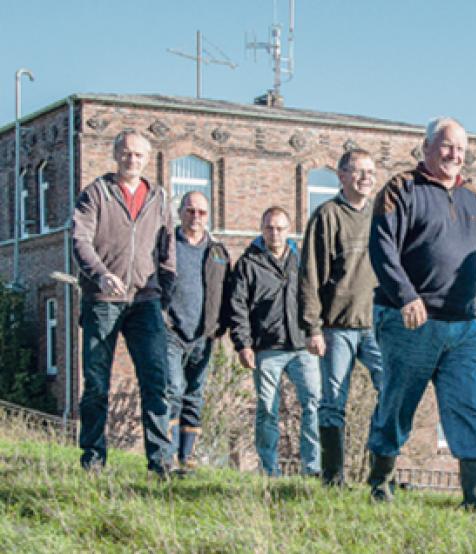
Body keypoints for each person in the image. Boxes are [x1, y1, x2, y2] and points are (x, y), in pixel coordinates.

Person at [365, 117, 476, 509]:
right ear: (426, 146)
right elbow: (382, 247)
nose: (454, 154)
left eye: (460, 148)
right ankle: (380, 482)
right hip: (411, 321)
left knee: (466, 406)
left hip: (463, 328)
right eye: (446, 146)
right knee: (397, 405)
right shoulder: (401, 188)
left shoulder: (473, 198)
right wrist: (406, 295)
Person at [72, 129, 175, 476]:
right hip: (103, 300)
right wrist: (99, 274)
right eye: (127, 154)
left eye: (139, 155)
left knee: (155, 380)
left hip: (145, 301)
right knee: (97, 382)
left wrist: (165, 293)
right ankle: (93, 459)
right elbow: (80, 239)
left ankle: (160, 462)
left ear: (148, 159)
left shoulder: (158, 198)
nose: (133, 160)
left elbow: (168, 250)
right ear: (116, 155)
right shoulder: (96, 194)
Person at [299, 149, 385, 486]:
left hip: (377, 325)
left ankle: (380, 474)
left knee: (390, 392)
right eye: (359, 171)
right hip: (337, 328)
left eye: (371, 171)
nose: (366, 178)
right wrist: (313, 327)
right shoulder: (327, 216)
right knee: (333, 402)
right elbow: (310, 274)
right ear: (342, 176)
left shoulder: (381, 216)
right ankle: (333, 478)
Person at [228, 206, 321, 476]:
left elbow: (313, 297)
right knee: (267, 409)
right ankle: (269, 470)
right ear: (262, 230)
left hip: (302, 346)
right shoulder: (248, 263)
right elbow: (238, 307)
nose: (275, 233)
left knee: (314, 403)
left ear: (289, 230)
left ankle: (312, 467)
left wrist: (316, 331)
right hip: (266, 348)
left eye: (280, 228)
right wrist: (243, 344)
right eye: (269, 228)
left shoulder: (301, 260)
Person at [164, 191, 231, 472]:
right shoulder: (167, 246)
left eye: (202, 212)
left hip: (204, 334)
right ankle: (165, 455)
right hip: (171, 330)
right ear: (180, 213)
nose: (196, 217)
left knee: (194, 394)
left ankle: (186, 457)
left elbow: (228, 292)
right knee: (173, 389)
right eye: (190, 211)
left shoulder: (218, 252)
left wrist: (221, 327)